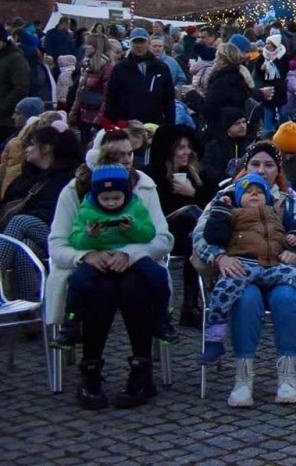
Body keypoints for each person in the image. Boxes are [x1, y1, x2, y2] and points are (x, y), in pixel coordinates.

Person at [47, 129, 172, 410]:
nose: (127, 161)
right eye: (118, 155)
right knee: (97, 291)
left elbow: (162, 238)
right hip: (90, 266)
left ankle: (141, 372)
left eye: (130, 154)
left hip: (135, 263)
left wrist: (129, 254)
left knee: (135, 289)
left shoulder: (145, 186)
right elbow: (57, 243)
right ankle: (90, 372)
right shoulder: (75, 190)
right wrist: (88, 255)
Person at [194, 140, 296, 407]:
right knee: (246, 300)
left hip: (279, 272)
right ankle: (243, 377)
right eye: (255, 164)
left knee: (287, 299)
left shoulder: (290, 200)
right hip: (240, 270)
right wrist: (219, 257)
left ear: (278, 169)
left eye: (269, 165)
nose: (262, 171)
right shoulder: (227, 196)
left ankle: (287, 375)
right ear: (245, 166)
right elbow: (199, 237)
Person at [195, 172, 296, 370]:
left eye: (259, 192)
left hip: (274, 266)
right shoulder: (232, 212)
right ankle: (214, 341)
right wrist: (220, 211)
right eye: (248, 191)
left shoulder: (280, 211)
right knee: (222, 292)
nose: (254, 195)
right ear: (238, 196)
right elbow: (212, 236)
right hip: (243, 265)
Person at [0, 120, 81, 298]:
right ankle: (29, 307)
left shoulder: (69, 178)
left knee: (21, 221)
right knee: (25, 249)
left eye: (31, 144)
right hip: (27, 237)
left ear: (46, 148)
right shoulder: (26, 177)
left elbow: (58, 215)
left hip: (62, 237)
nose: (27, 149)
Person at [148, 124, 213, 328]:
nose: (186, 152)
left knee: (194, 231)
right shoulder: (154, 176)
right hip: (164, 231)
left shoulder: (197, 173)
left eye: (188, 147)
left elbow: (212, 205)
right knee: (190, 218)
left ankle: (191, 304)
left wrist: (193, 193)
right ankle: (190, 304)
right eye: (180, 148)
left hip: (192, 237)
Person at [102, 29, 177, 129]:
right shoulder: (120, 68)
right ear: (130, 44)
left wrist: (170, 125)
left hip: (154, 124)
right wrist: (112, 125)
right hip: (128, 124)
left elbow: (169, 99)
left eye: (142, 42)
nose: (139, 46)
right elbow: (111, 98)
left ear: (148, 43)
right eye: (135, 42)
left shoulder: (161, 67)